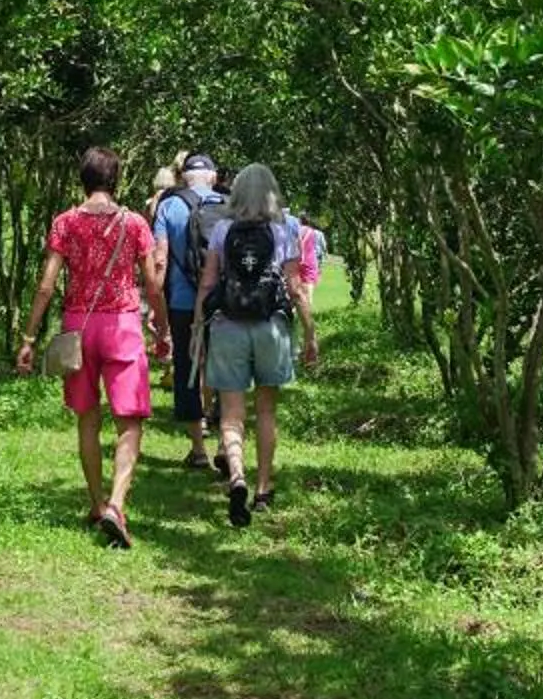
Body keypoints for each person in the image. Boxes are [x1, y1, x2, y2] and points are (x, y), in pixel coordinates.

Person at [18, 146, 172, 548]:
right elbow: (152, 285)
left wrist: (29, 338)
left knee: (87, 418)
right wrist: (163, 329)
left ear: (82, 179)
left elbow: (46, 285)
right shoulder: (135, 223)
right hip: (122, 325)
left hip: (78, 328)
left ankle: (96, 501)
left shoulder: (65, 223)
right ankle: (116, 505)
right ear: (115, 179)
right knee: (130, 421)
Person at [191, 161, 319, 527]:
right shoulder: (284, 231)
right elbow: (295, 288)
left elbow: (208, 282)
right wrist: (310, 332)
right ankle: (263, 489)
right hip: (271, 327)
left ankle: (237, 476)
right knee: (265, 411)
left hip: (229, 326)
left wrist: (199, 325)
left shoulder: (222, 229)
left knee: (231, 414)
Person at [153, 150, 229, 473]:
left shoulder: (169, 205)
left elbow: (159, 260)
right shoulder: (229, 207)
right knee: (227, 368)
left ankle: (197, 449)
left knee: (186, 369)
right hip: (223, 303)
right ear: (213, 177)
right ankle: (227, 444)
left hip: (182, 303)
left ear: (183, 177)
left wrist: (157, 313)